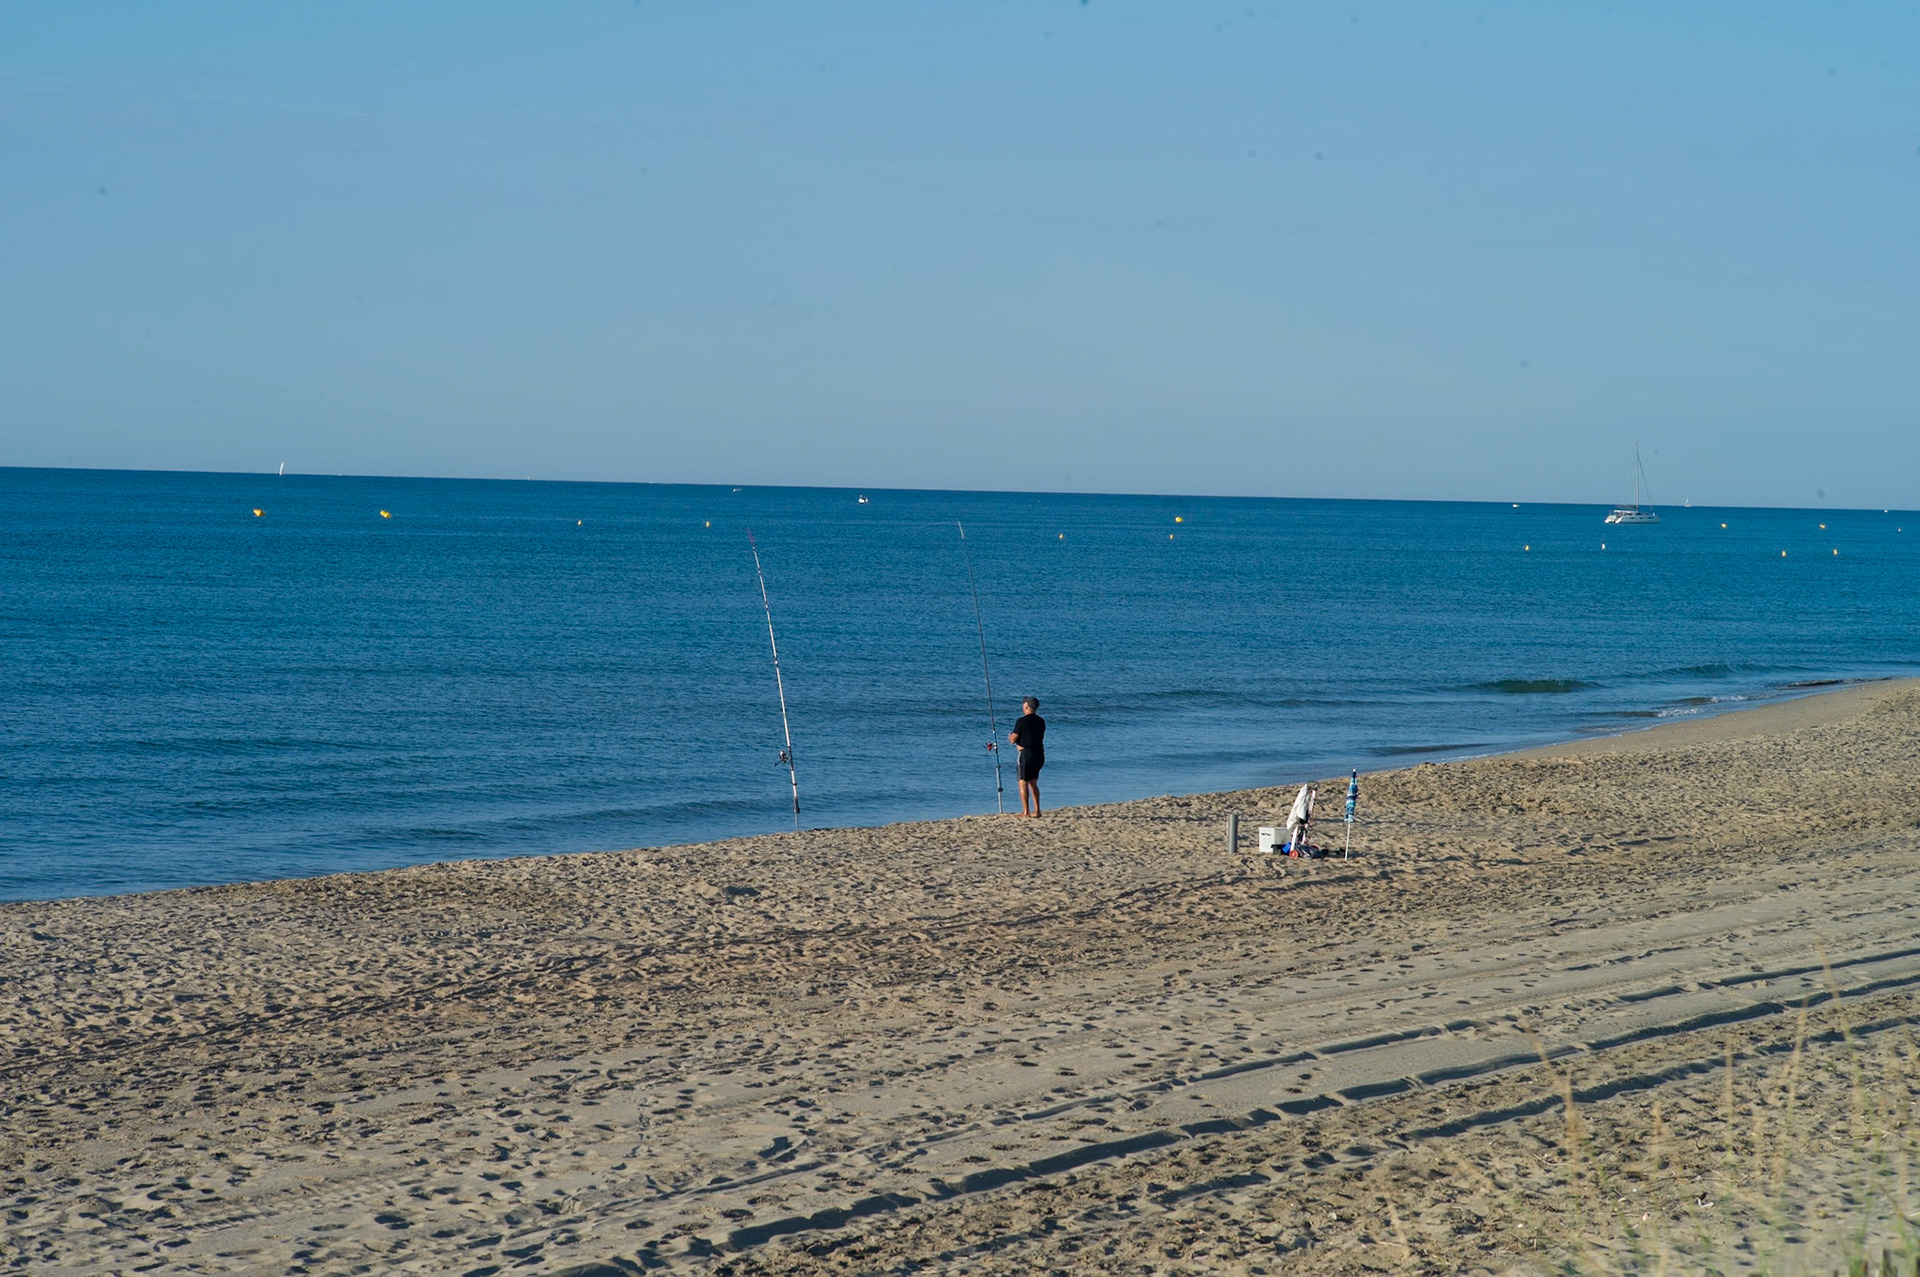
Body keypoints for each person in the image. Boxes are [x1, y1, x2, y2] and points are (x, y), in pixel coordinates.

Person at [1009, 696, 1046, 817]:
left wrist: (1011, 738)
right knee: (1033, 783)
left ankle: (1026, 811)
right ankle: (1037, 810)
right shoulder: (1041, 721)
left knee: (1023, 782)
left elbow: (1013, 739)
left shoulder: (1021, 721)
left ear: (1026, 706)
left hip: (1026, 754)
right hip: (1039, 754)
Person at [1285, 783, 1317, 856]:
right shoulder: (1303, 794)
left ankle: (1301, 845)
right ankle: (1294, 847)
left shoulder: (1304, 795)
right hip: (1300, 817)